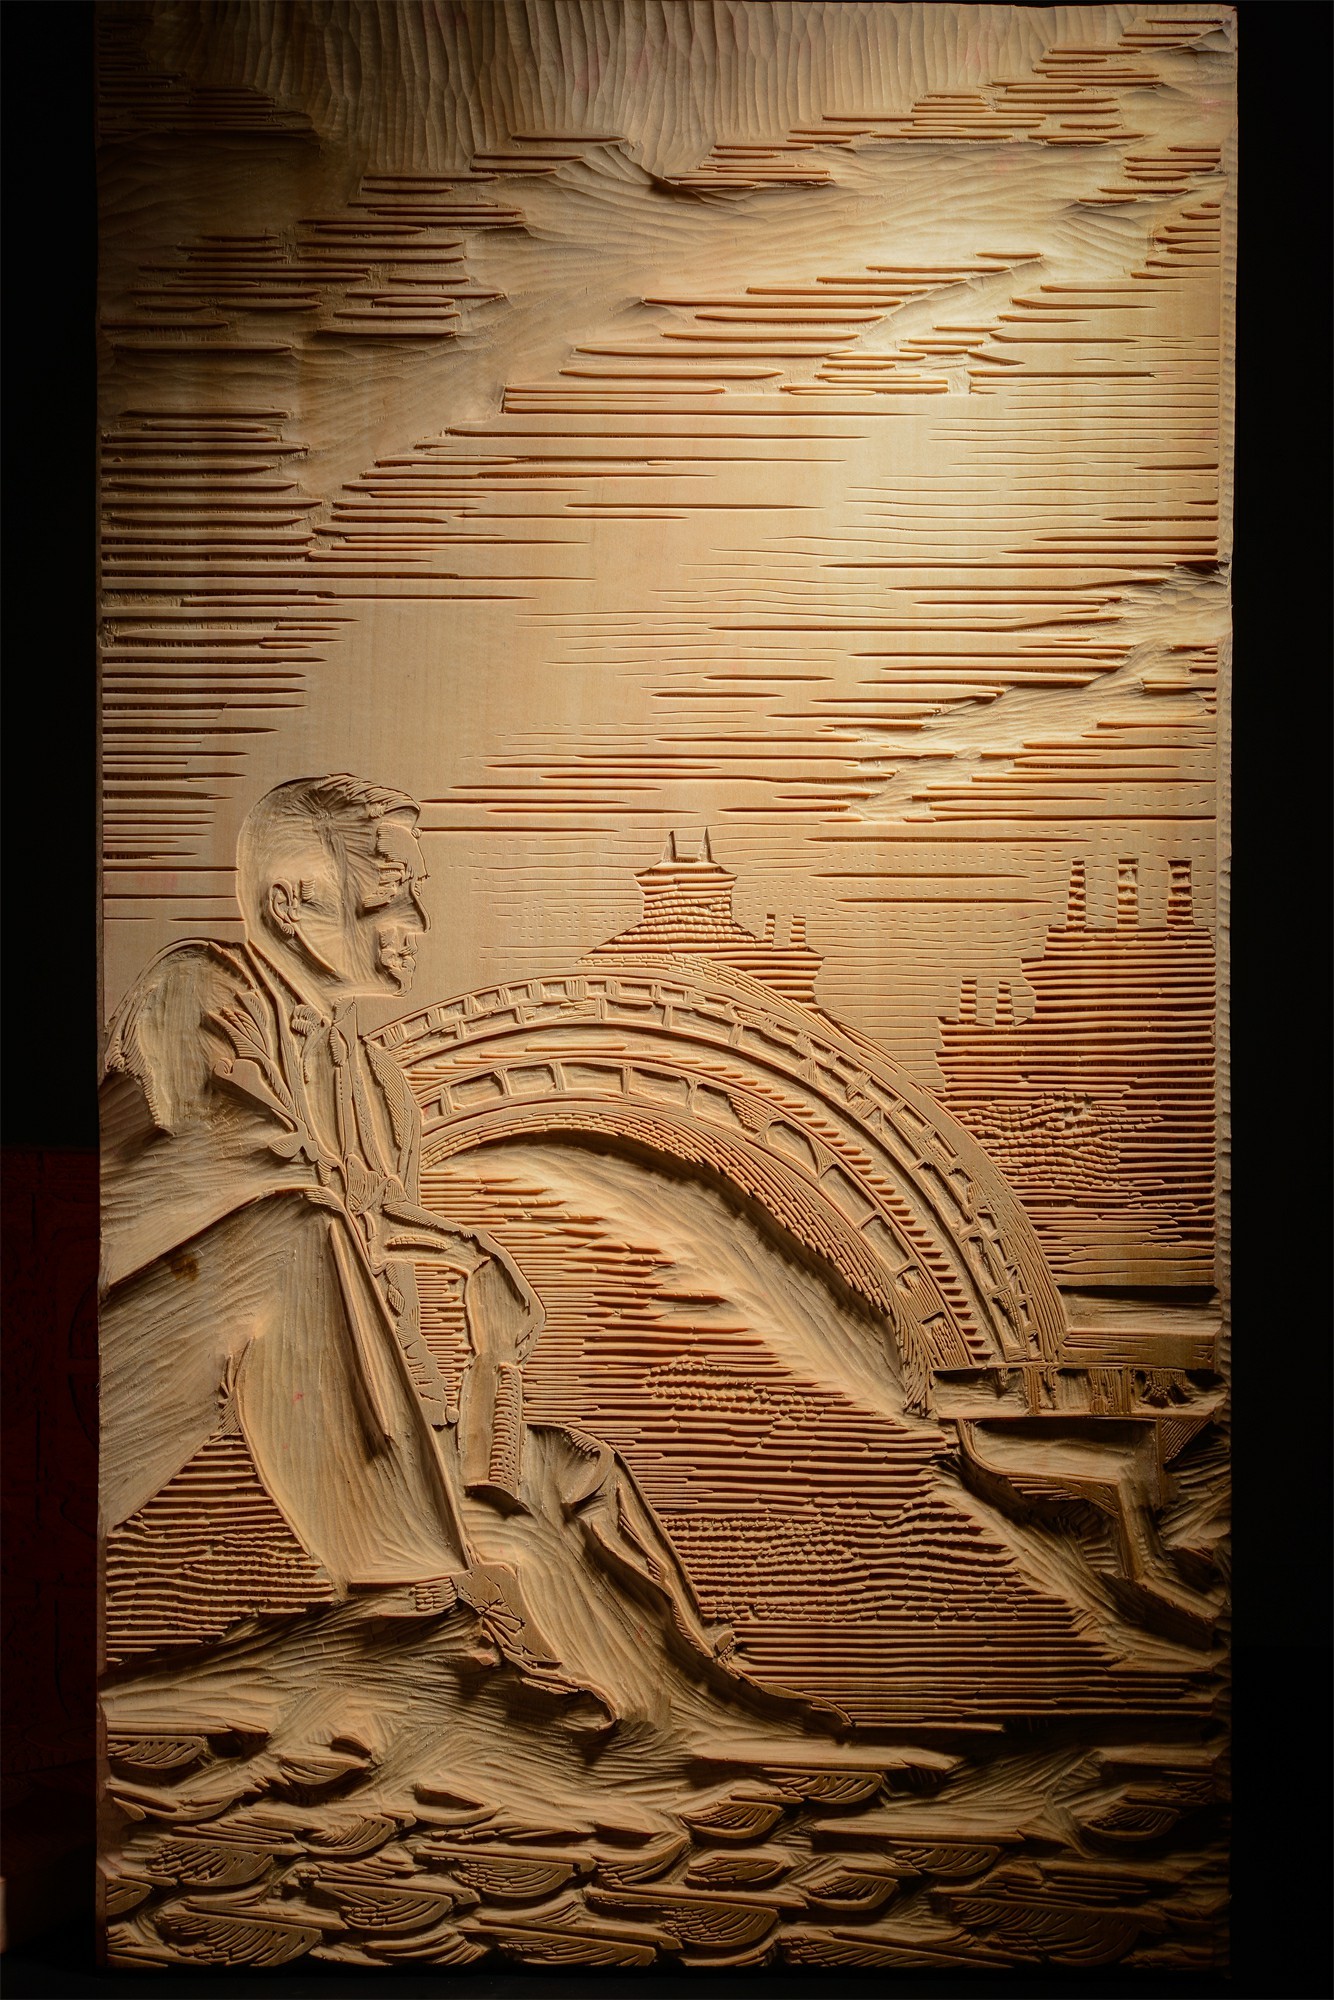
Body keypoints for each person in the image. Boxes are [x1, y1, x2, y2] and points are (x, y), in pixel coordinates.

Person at [100, 774, 560, 1673]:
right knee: (291, 1241)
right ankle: (400, 1618)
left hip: (256, 1381)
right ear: (290, 902)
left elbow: (379, 1314)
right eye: (390, 891)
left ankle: (673, 1707)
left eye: (416, 891)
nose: (416, 922)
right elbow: (243, 1165)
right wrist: (463, 1251)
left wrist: (471, 1424)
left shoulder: (372, 1079)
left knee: (575, 1487)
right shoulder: (197, 989)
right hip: (94, 1392)